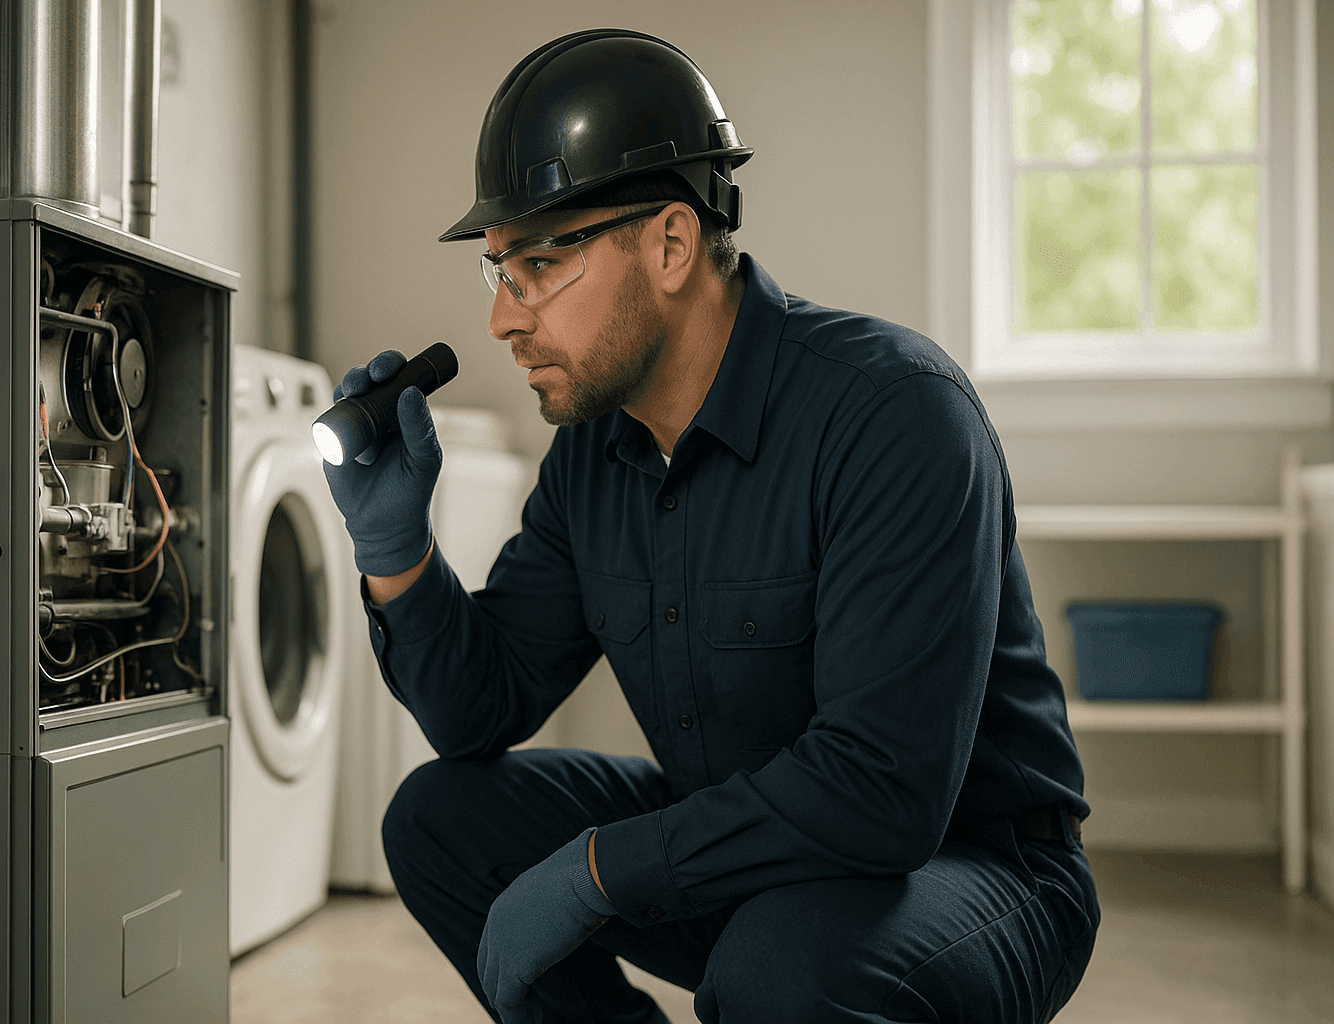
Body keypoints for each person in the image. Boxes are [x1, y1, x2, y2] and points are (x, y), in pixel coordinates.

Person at [322, 28, 1098, 1024]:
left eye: (538, 265)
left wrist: (600, 870)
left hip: (979, 864)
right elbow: (484, 709)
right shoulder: (594, 458)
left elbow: (882, 795)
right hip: (755, 842)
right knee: (439, 820)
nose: (502, 321)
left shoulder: (894, 414)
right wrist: (396, 553)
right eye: (496, 271)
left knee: (786, 969)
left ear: (673, 244)